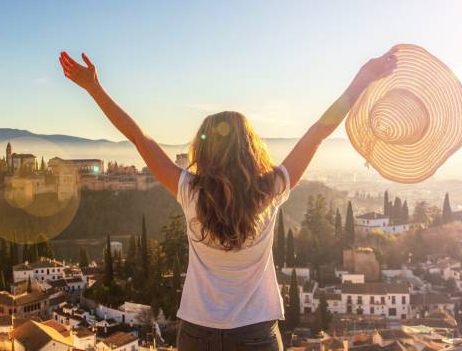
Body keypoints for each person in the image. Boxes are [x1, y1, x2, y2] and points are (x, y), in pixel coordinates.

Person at [59, 48, 397, 350]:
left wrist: (95, 89)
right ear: (250, 148)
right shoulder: (271, 190)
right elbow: (318, 132)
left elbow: (137, 137)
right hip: (256, 333)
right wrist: (362, 80)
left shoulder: (189, 191)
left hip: (198, 333)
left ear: (204, 150)